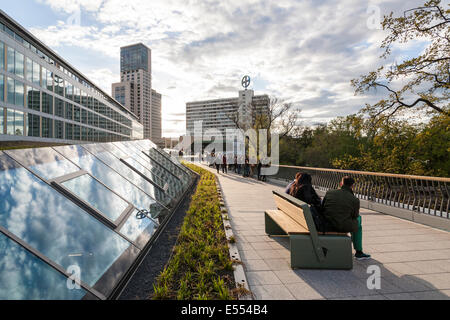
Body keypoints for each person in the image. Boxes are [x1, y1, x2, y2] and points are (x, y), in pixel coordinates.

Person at [322, 176, 371, 260]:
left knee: (355, 221)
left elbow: (323, 207)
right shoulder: (354, 199)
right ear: (352, 186)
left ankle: (352, 246)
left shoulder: (330, 192)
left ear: (341, 183)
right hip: (340, 226)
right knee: (358, 222)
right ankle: (359, 252)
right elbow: (354, 216)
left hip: (326, 222)